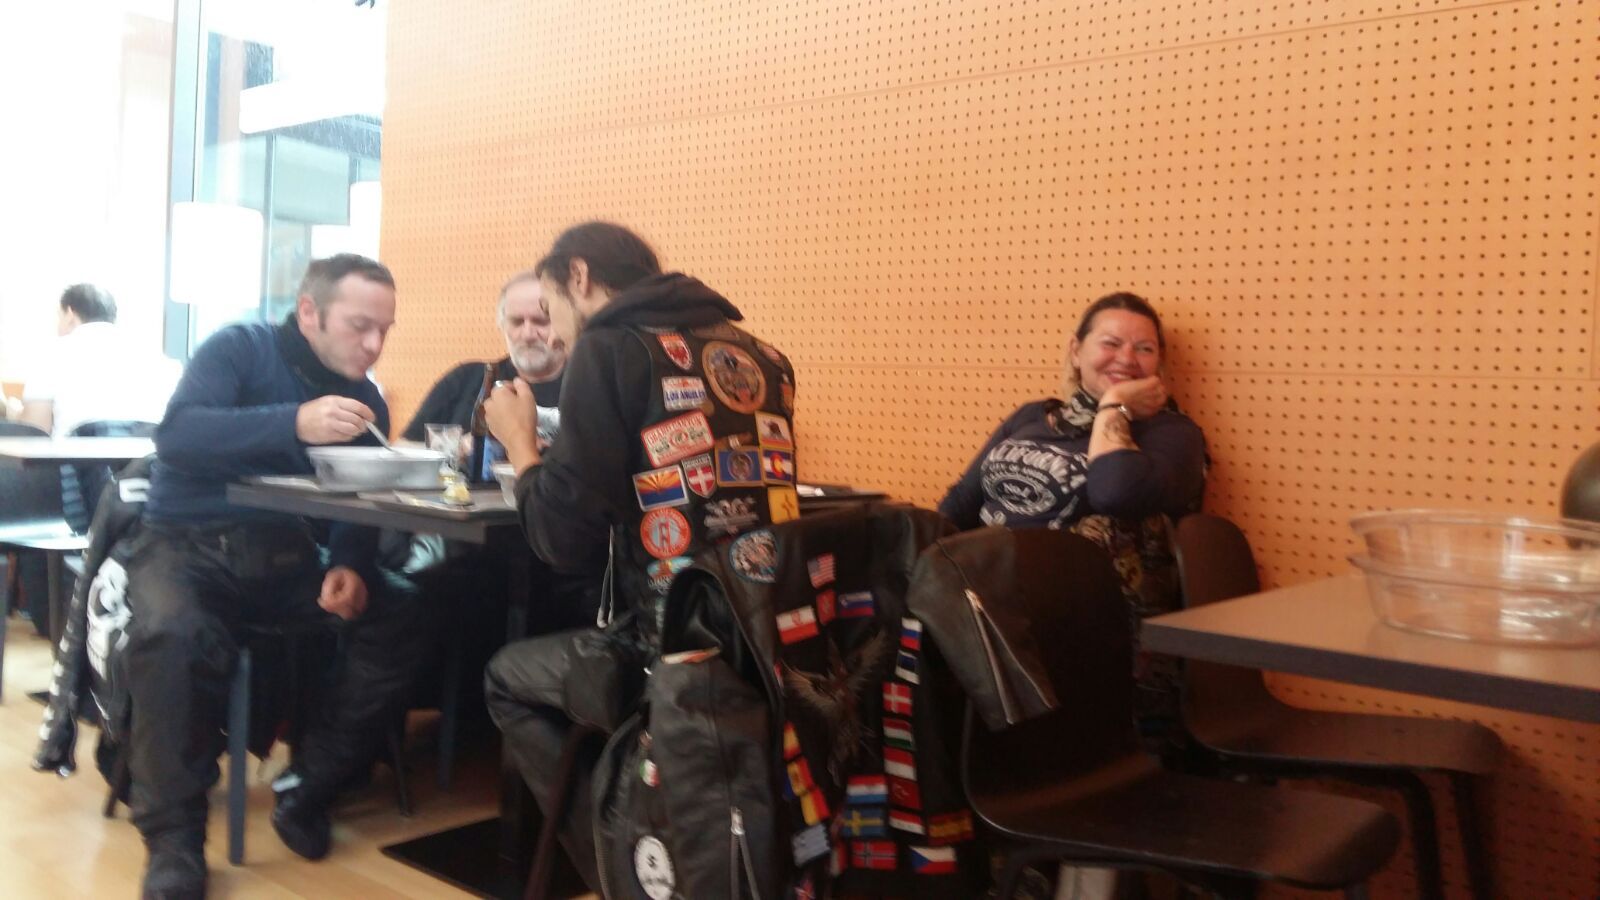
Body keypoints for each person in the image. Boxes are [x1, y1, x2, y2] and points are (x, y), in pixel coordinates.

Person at [479, 222, 798, 891]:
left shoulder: (609, 348)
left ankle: (618, 865)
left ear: (578, 275)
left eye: (551, 309)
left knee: (507, 677)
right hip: (770, 643)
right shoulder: (763, 355)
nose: (554, 334)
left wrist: (520, 444)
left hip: (669, 654)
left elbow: (561, 540)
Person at [124, 254, 429, 900]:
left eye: (384, 330)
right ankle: (175, 841)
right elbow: (178, 436)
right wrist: (292, 421)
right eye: (359, 326)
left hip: (284, 557)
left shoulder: (365, 400)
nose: (373, 345)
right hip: (183, 545)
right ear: (310, 312)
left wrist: (349, 562)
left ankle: (309, 786)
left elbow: (357, 498)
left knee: (402, 609)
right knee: (173, 635)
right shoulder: (240, 348)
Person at [400, 269, 566, 477]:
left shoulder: (587, 384)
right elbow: (402, 449)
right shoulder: (465, 379)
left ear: (563, 322)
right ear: (502, 324)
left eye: (541, 321)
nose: (527, 334)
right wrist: (456, 448)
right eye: (516, 322)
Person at [20, 283, 180, 437]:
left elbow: (35, 431)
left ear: (69, 315)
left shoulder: (51, 355)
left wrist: (17, 415)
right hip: (149, 455)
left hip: (76, 455)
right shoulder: (158, 358)